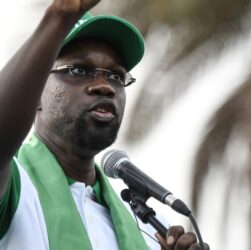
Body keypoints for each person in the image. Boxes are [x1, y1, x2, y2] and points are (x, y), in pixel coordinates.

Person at [0, 0, 209, 249]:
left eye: (115, 76)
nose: (104, 85)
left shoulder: (149, 231)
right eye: (78, 70)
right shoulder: (15, 186)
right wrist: (59, 15)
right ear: (34, 92)